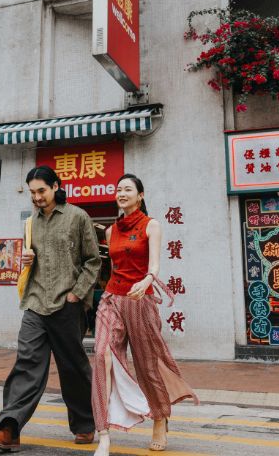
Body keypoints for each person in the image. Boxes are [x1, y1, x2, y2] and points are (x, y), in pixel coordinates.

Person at [0, 166, 101, 452]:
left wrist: (77, 294)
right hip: (35, 303)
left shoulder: (77, 217)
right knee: (27, 364)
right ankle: (9, 428)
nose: (36, 197)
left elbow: (93, 262)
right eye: (32, 192)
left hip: (66, 304)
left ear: (56, 186)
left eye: (41, 191)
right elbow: (32, 259)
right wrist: (26, 261)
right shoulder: (31, 223)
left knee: (72, 368)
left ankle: (85, 424)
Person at [92, 174, 198, 455]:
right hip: (113, 298)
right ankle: (103, 431)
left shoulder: (152, 225)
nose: (121, 193)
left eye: (128, 189)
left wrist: (147, 280)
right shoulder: (110, 231)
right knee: (102, 355)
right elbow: (113, 268)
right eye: (118, 189)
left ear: (140, 195)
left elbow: (154, 266)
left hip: (140, 300)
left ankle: (160, 417)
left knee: (147, 365)